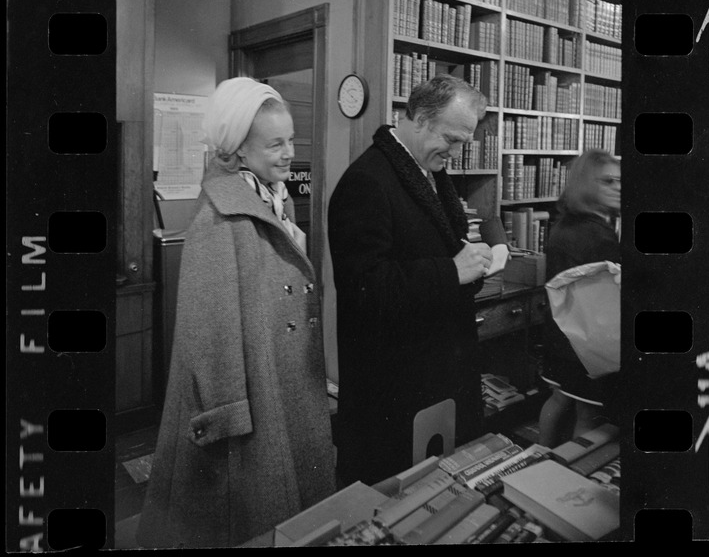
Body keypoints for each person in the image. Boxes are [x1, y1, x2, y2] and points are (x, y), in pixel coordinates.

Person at [137, 77, 335, 549]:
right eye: (275, 144)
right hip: (251, 394)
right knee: (246, 524)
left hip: (278, 383)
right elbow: (209, 329)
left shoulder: (267, 198)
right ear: (239, 150)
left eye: (291, 140)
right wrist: (227, 413)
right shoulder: (220, 217)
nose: (289, 153)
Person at [328, 74, 493, 486]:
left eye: (462, 143)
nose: (455, 153)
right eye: (451, 139)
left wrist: (470, 263)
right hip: (393, 386)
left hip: (430, 373)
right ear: (418, 117)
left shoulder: (425, 170)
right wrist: (454, 270)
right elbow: (366, 287)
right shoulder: (367, 180)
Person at [537, 149, 621, 448]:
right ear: (588, 185)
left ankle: (538, 457)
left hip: (560, 335)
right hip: (586, 343)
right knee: (588, 413)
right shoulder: (600, 236)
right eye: (608, 181)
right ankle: (572, 474)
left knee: (558, 399)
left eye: (620, 181)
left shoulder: (565, 224)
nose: (618, 188)